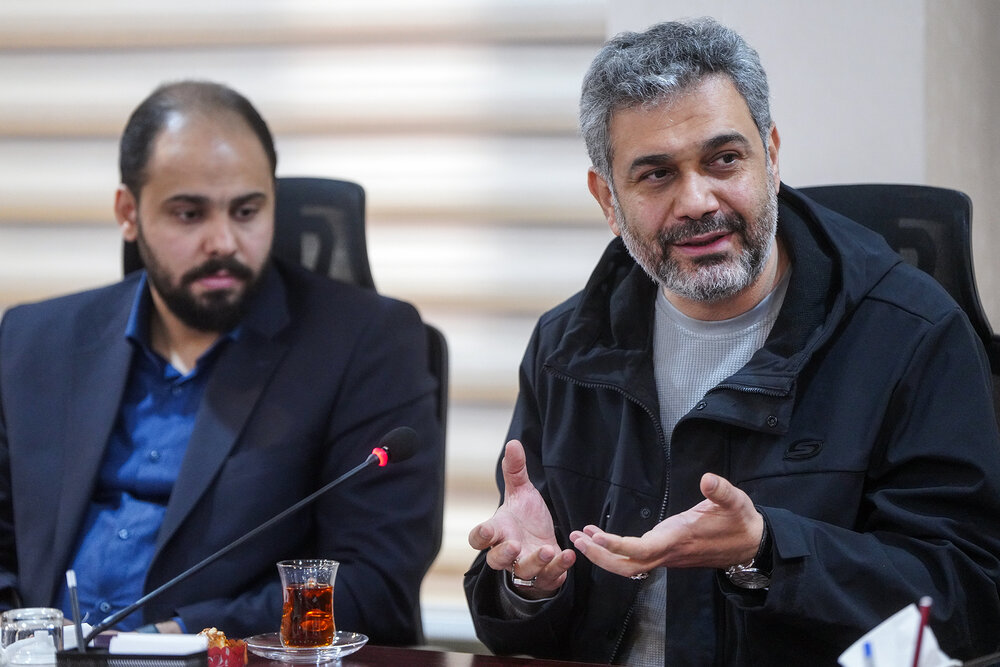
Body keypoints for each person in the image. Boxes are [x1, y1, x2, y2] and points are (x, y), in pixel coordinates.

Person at [464, 17, 1000, 665]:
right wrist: (527, 583)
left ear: (770, 155)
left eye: (723, 159)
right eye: (656, 174)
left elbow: (971, 594)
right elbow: (520, 630)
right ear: (607, 199)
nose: (697, 201)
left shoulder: (911, 333)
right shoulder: (568, 345)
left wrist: (766, 550)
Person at [0, 80, 444, 645]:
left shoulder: (365, 343)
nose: (223, 242)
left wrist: (172, 639)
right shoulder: (34, 341)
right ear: (128, 213)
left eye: (246, 211)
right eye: (190, 214)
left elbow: (374, 585)